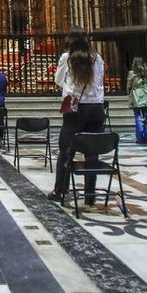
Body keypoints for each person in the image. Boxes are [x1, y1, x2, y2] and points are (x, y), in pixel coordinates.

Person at [49, 29, 105, 203]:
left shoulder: (67, 58)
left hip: (75, 107)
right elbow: (100, 80)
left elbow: (58, 80)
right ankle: (90, 195)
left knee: (66, 151)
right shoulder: (97, 58)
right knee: (92, 152)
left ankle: (60, 191)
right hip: (96, 108)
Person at [126, 56, 147, 144]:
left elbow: (129, 86)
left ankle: (140, 138)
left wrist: (128, 93)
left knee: (138, 117)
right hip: (146, 93)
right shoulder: (146, 72)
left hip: (136, 95)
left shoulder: (132, 73)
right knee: (146, 117)